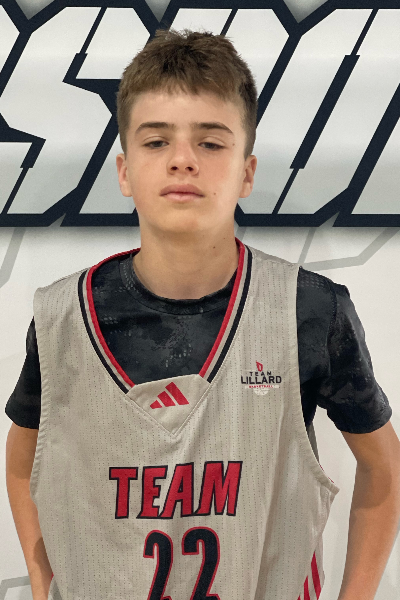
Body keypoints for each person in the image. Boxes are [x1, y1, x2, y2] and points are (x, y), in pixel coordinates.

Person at [5, 28, 398, 600]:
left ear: (246, 171)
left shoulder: (309, 311)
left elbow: (383, 469)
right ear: (123, 171)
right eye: (156, 141)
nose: (183, 160)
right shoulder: (64, 316)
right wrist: (43, 581)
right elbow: (24, 460)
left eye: (211, 143)